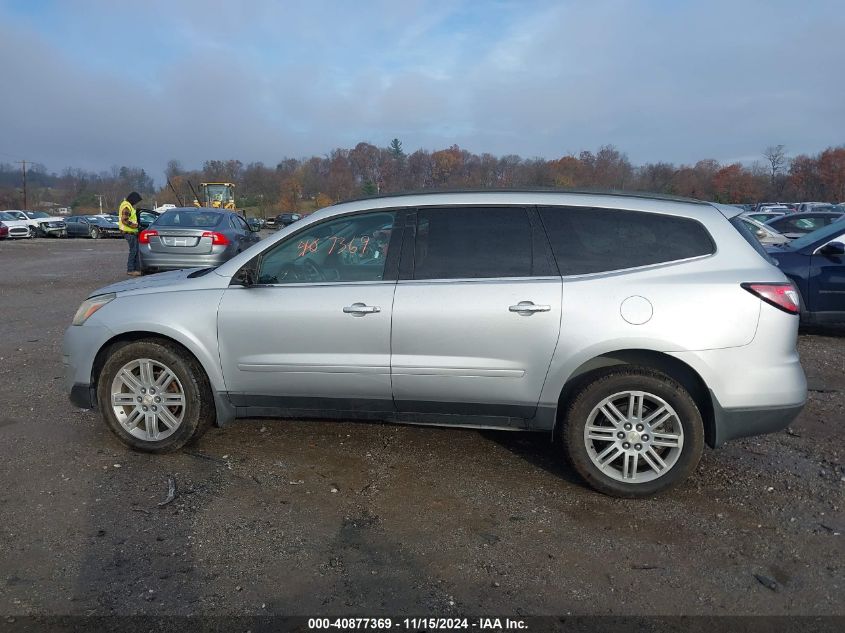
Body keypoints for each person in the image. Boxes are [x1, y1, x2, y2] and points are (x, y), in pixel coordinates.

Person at [118, 191, 143, 276]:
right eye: (136, 201)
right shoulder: (127, 206)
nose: (136, 203)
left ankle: (137, 270)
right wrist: (134, 225)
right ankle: (131, 269)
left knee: (135, 250)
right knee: (133, 251)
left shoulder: (127, 205)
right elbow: (124, 219)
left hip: (131, 232)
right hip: (129, 232)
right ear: (133, 199)